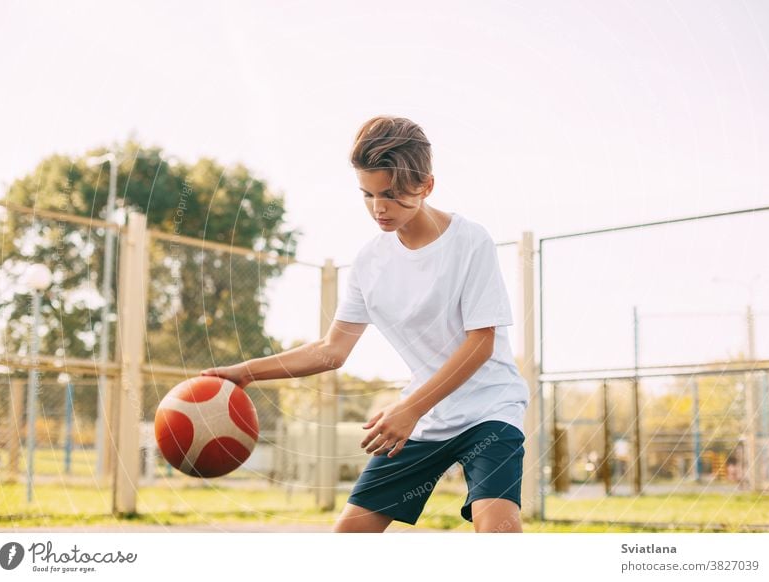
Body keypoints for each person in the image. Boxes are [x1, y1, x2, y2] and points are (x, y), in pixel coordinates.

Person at [201, 116, 530, 533]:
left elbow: (481, 344)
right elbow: (330, 350)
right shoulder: (369, 263)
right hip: (425, 418)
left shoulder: (470, 240)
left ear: (426, 186)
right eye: (368, 194)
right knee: (348, 540)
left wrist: (409, 408)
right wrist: (245, 372)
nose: (379, 208)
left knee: (498, 534)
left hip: (490, 410)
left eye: (391, 195)